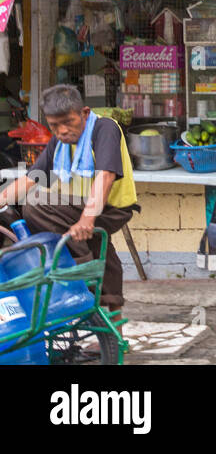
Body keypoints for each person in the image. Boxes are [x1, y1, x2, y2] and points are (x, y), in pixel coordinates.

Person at [0, 84, 138, 312]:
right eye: (54, 125)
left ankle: (80, 270)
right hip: (80, 209)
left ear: (84, 113)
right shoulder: (59, 142)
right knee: (102, 255)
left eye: (68, 122)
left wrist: (87, 219)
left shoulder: (104, 128)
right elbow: (31, 178)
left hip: (111, 207)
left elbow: (105, 176)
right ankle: (113, 325)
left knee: (36, 204)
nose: (62, 130)